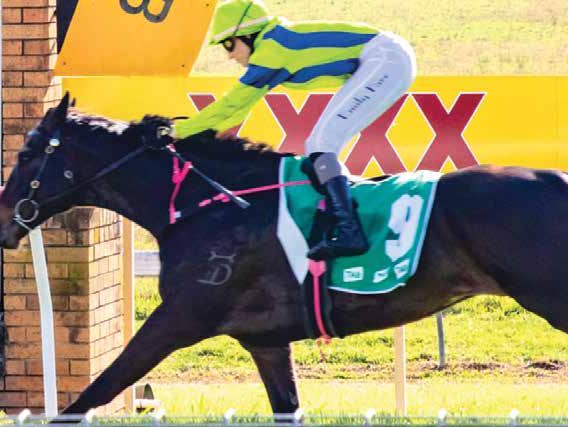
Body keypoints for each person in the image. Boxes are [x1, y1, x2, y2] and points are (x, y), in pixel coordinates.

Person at [172, 0, 417, 260]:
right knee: (318, 149)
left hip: (385, 60)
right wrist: (217, 132)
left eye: (228, 44)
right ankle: (343, 223)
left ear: (247, 34)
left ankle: (350, 231)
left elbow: (232, 102)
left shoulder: (271, 51)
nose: (229, 55)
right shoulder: (272, 43)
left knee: (321, 144)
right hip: (387, 58)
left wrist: (177, 131)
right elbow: (241, 107)